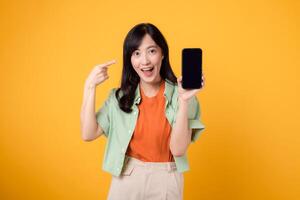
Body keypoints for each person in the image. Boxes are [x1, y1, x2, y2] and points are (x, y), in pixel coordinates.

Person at [80, 23, 205, 200]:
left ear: (163, 54)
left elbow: (178, 150)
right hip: (127, 177)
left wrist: (184, 101)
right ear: (130, 59)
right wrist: (89, 86)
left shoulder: (183, 94)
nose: (144, 61)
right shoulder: (120, 97)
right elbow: (88, 133)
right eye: (136, 53)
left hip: (167, 179)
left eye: (151, 51)